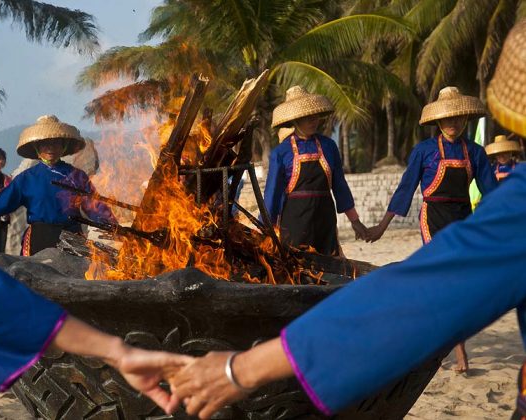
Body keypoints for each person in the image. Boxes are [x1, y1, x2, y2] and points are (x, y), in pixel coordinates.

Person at [161, 19, 526, 420]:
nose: (313, 123)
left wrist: (241, 369)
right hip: (313, 216)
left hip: (349, 215)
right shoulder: (285, 154)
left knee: (333, 270)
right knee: (295, 270)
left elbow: (423, 287)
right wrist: (272, 227)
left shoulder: (337, 148)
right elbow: (276, 195)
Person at [0, 193, 189, 411]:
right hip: (34, 238)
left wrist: (116, 352)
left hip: (68, 240)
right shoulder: (29, 178)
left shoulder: (74, 176)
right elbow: (5, 201)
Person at [368, 87, 499, 372]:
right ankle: (459, 352)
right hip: (433, 217)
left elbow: (492, 192)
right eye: (447, 118)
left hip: (463, 218)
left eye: (458, 117)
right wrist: (382, 227)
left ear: (465, 118)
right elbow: (406, 189)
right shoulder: (424, 151)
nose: (453, 123)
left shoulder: (475, 152)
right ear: (438, 121)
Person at [0, 115, 115, 256]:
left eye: (55, 142)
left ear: (63, 145)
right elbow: (2, 202)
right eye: (45, 143)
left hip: (72, 236)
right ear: (36, 146)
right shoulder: (27, 178)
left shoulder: (76, 176)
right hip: (39, 238)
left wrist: (113, 226)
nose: (50, 148)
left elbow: (95, 206)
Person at [263, 86, 367, 256]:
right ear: (295, 120)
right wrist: (266, 230)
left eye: (315, 115)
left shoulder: (329, 146)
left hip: (324, 220)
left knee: (330, 271)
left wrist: (355, 221)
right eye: (307, 117)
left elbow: (340, 187)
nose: (314, 120)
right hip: (295, 223)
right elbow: (272, 194)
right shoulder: (281, 153)